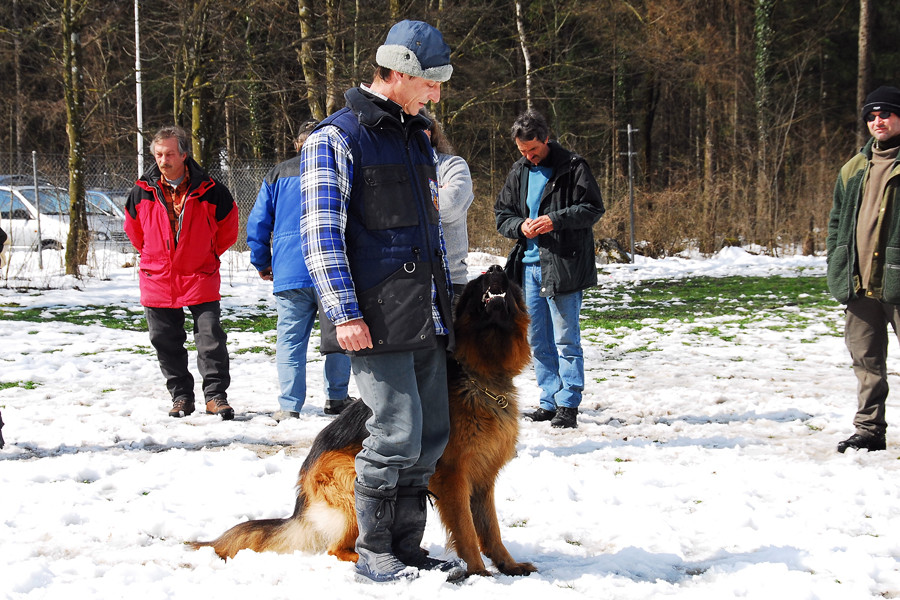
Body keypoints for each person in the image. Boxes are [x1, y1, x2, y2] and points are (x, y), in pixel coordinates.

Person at [299, 20, 460, 583]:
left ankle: (407, 547)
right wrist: (344, 312)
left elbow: (431, 235)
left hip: (428, 314)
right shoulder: (335, 138)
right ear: (397, 73)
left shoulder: (417, 135)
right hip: (375, 317)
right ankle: (373, 551)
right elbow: (320, 234)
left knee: (430, 435)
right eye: (430, 82)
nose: (437, 93)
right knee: (393, 433)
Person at [494, 109, 605, 429]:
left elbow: (593, 208)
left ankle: (569, 402)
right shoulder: (519, 170)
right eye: (522, 152)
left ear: (546, 138)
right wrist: (520, 225)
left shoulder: (573, 167)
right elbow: (502, 214)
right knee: (537, 339)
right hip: (527, 268)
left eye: (533, 150)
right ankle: (549, 399)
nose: (529, 156)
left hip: (563, 266)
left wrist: (555, 220)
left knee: (566, 338)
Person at [124, 126, 239, 420]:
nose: (163, 160)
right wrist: (154, 255)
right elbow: (134, 232)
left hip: (200, 275)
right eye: (159, 154)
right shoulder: (140, 190)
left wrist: (206, 253)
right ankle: (181, 397)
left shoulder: (212, 190)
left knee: (210, 339)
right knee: (165, 342)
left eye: (170, 154)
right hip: (157, 279)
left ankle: (215, 396)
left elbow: (228, 230)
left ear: (184, 155)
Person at [246, 120, 356, 420]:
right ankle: (337, 398)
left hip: (290, 269)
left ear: (297, 144)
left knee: (290, 340)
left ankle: (289, 405)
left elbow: (258, 223)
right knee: (337, 337)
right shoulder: (341, 168)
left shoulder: (277, 174)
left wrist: (262, 260)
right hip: (332, 268)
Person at [829, 85, 900, 453]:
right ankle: (869, 431)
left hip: (898, 281)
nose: (878, 121)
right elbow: (836, 221)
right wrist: (836, 265)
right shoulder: (853, 168)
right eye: (871, 116)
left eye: (885, 113)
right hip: (859, 284)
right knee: (867, 363)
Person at [422, 108, 474, 301]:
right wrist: (435, 191)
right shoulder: (394, 169)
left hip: (451, 282)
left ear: (430, 132)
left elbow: (450, 205)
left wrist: (410, 197)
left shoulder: (453, 165)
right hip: (408, 284)